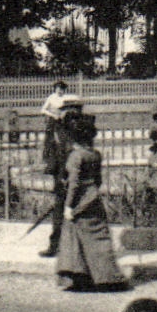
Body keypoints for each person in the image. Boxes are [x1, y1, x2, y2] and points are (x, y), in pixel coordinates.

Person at [56, 113, 124, 291]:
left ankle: (78, 277)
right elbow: (98, 180)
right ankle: (108, 277)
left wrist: (69, 206)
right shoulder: (95, 154)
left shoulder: (76, 157)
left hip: (79, 201)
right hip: (93, 199)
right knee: (98, 239)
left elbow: (74, 184)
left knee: (73, 240)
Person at [38, 92, 83, 258]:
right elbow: (49, 150)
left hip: (79, 177)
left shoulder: (84, 128)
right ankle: (55, 245)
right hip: (62, 177)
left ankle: (78, 249)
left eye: (75, 110)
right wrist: (55, 172)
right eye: (66, 110)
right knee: (59, 211)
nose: (71, 114)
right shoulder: (56, 128)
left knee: (80, 213)